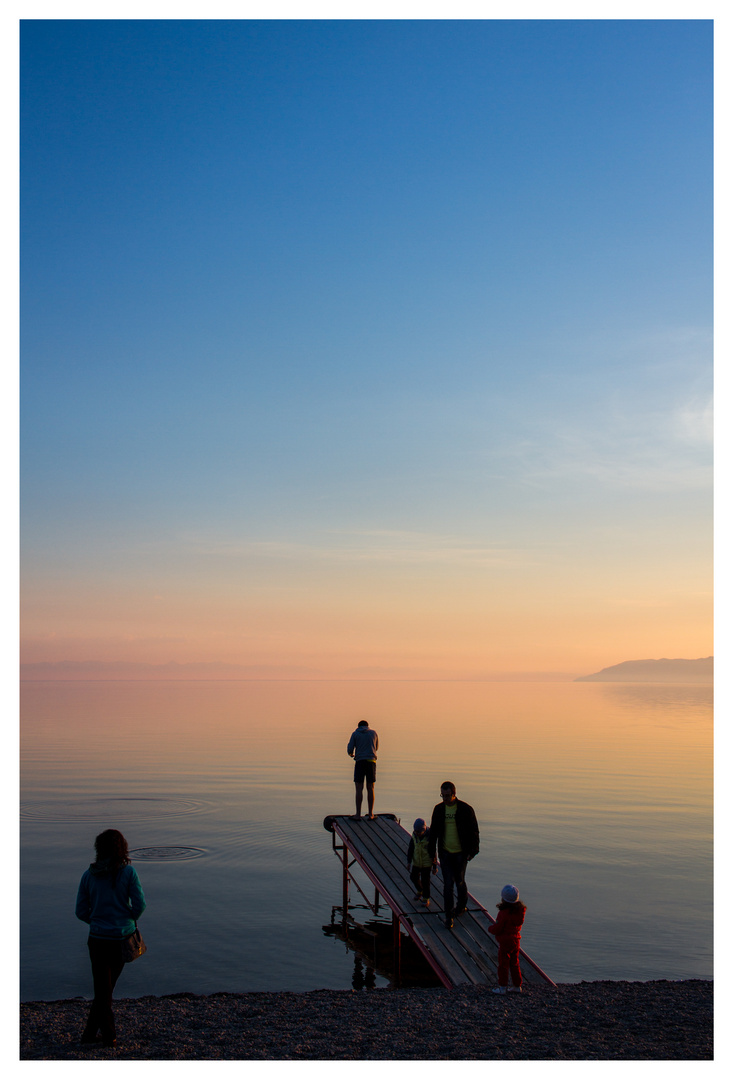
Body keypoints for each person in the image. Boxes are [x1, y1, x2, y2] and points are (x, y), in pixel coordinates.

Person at [75, 829, 146, 1048]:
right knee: (105, 991)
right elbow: (140, 905)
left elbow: (80, 911)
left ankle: (90, 1035)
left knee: (103, 990)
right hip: (121, 939)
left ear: (99, 849)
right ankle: (109, 1036)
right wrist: (128, 921)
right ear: (122, 848)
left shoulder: (88, 875)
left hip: (97, 939)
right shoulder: (128, 873)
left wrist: (97, 922)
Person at [428, 780, 479, 928]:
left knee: (460, 881)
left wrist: (473, 851)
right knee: (448, 885)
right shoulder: (438, 810)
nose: (444, 799)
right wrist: (433, 854)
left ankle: (461, 906)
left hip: (461, 854)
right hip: (445, 853)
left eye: (447, 796)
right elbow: (433, 834)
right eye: (442, 795)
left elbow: (474, 831)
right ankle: (449, 916)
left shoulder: (465, 809)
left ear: (454, 794)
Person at [488, 884, 526, 993]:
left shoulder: (503, 913)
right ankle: (517, 986)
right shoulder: (520, 911)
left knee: (503, 965)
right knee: (514, 963)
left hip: (505, 942)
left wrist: (490, 929)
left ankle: (502, 987)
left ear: (503, 899)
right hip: (516, 940)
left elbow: (498, 928)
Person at [347, 719, 379, 819]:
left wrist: (351, 753)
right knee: (371, 788)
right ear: (367, 726)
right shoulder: (373, 733)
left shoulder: (355, 734)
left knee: (359, 789)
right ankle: (370, 814)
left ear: (358, 726)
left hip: (360, 762)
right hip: (371, 762)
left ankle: (358, 814)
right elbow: (376, 747)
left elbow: (350, 749)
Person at [406, 817, 437, 905]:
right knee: (413, 877)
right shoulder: (414, 835)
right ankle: (420, 890)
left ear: (423, 830)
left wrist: (434, 866)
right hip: (416, 862)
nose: (417, 833)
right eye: (416, 831)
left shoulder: (430, 837)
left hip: (426, 863)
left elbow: (433, 852)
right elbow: (411, 848)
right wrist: (409, 862)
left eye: (419, 832)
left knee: (425, 881)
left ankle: (426, 898)